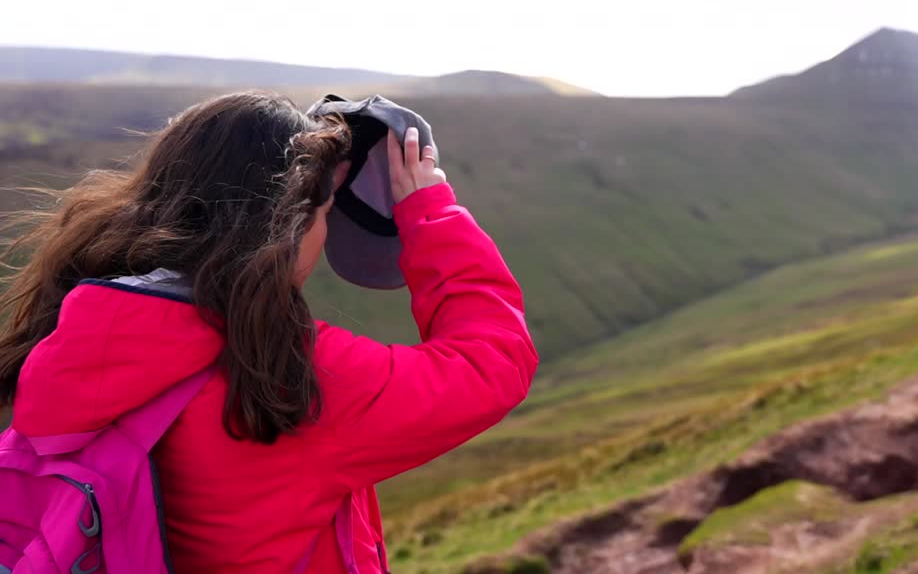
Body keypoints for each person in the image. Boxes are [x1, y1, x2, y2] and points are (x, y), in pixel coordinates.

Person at [0, 91, 537, 572]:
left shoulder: (75, 334)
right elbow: (494, 360)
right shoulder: (291, 380)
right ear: (289, 223)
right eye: (323, 210)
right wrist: (431, 211)